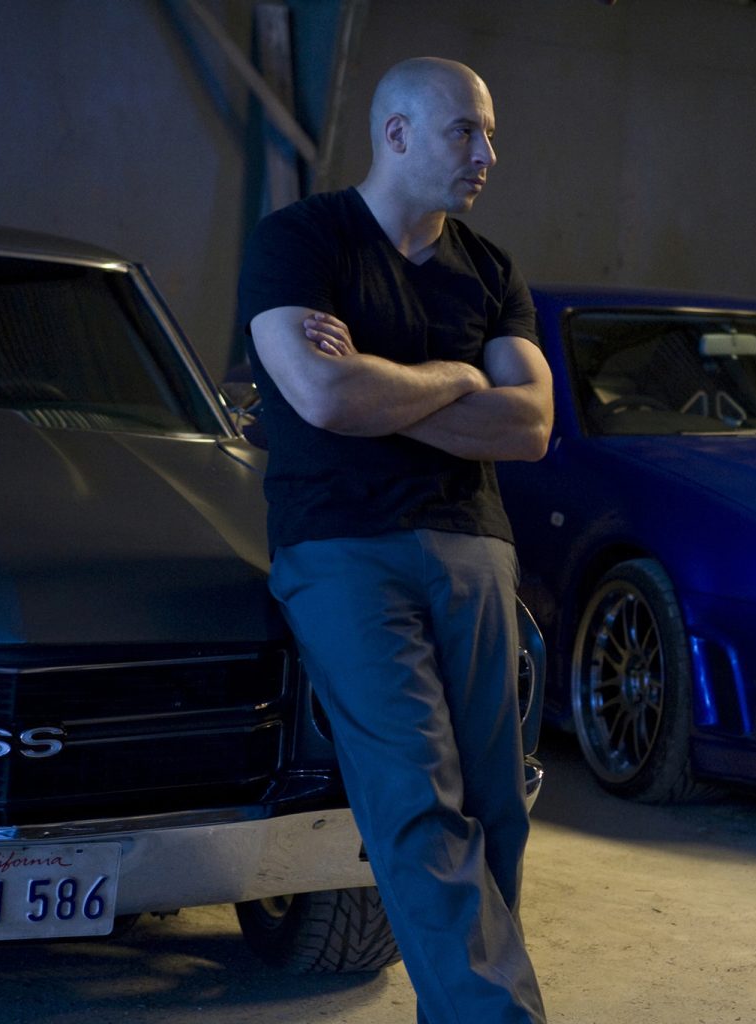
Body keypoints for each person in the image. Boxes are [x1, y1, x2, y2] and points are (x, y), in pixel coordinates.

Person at [236, 57, 551, 1021]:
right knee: (415, 796)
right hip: (342, 546)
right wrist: (459, 377)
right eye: (466, 131)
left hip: (474, 544)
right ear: (398, 132)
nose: (486, 153)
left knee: (496, 810)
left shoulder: (490, 270)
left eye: (491, 134)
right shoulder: (301, 241)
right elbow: (324, 396)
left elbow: (532, 425)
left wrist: (382, 383)